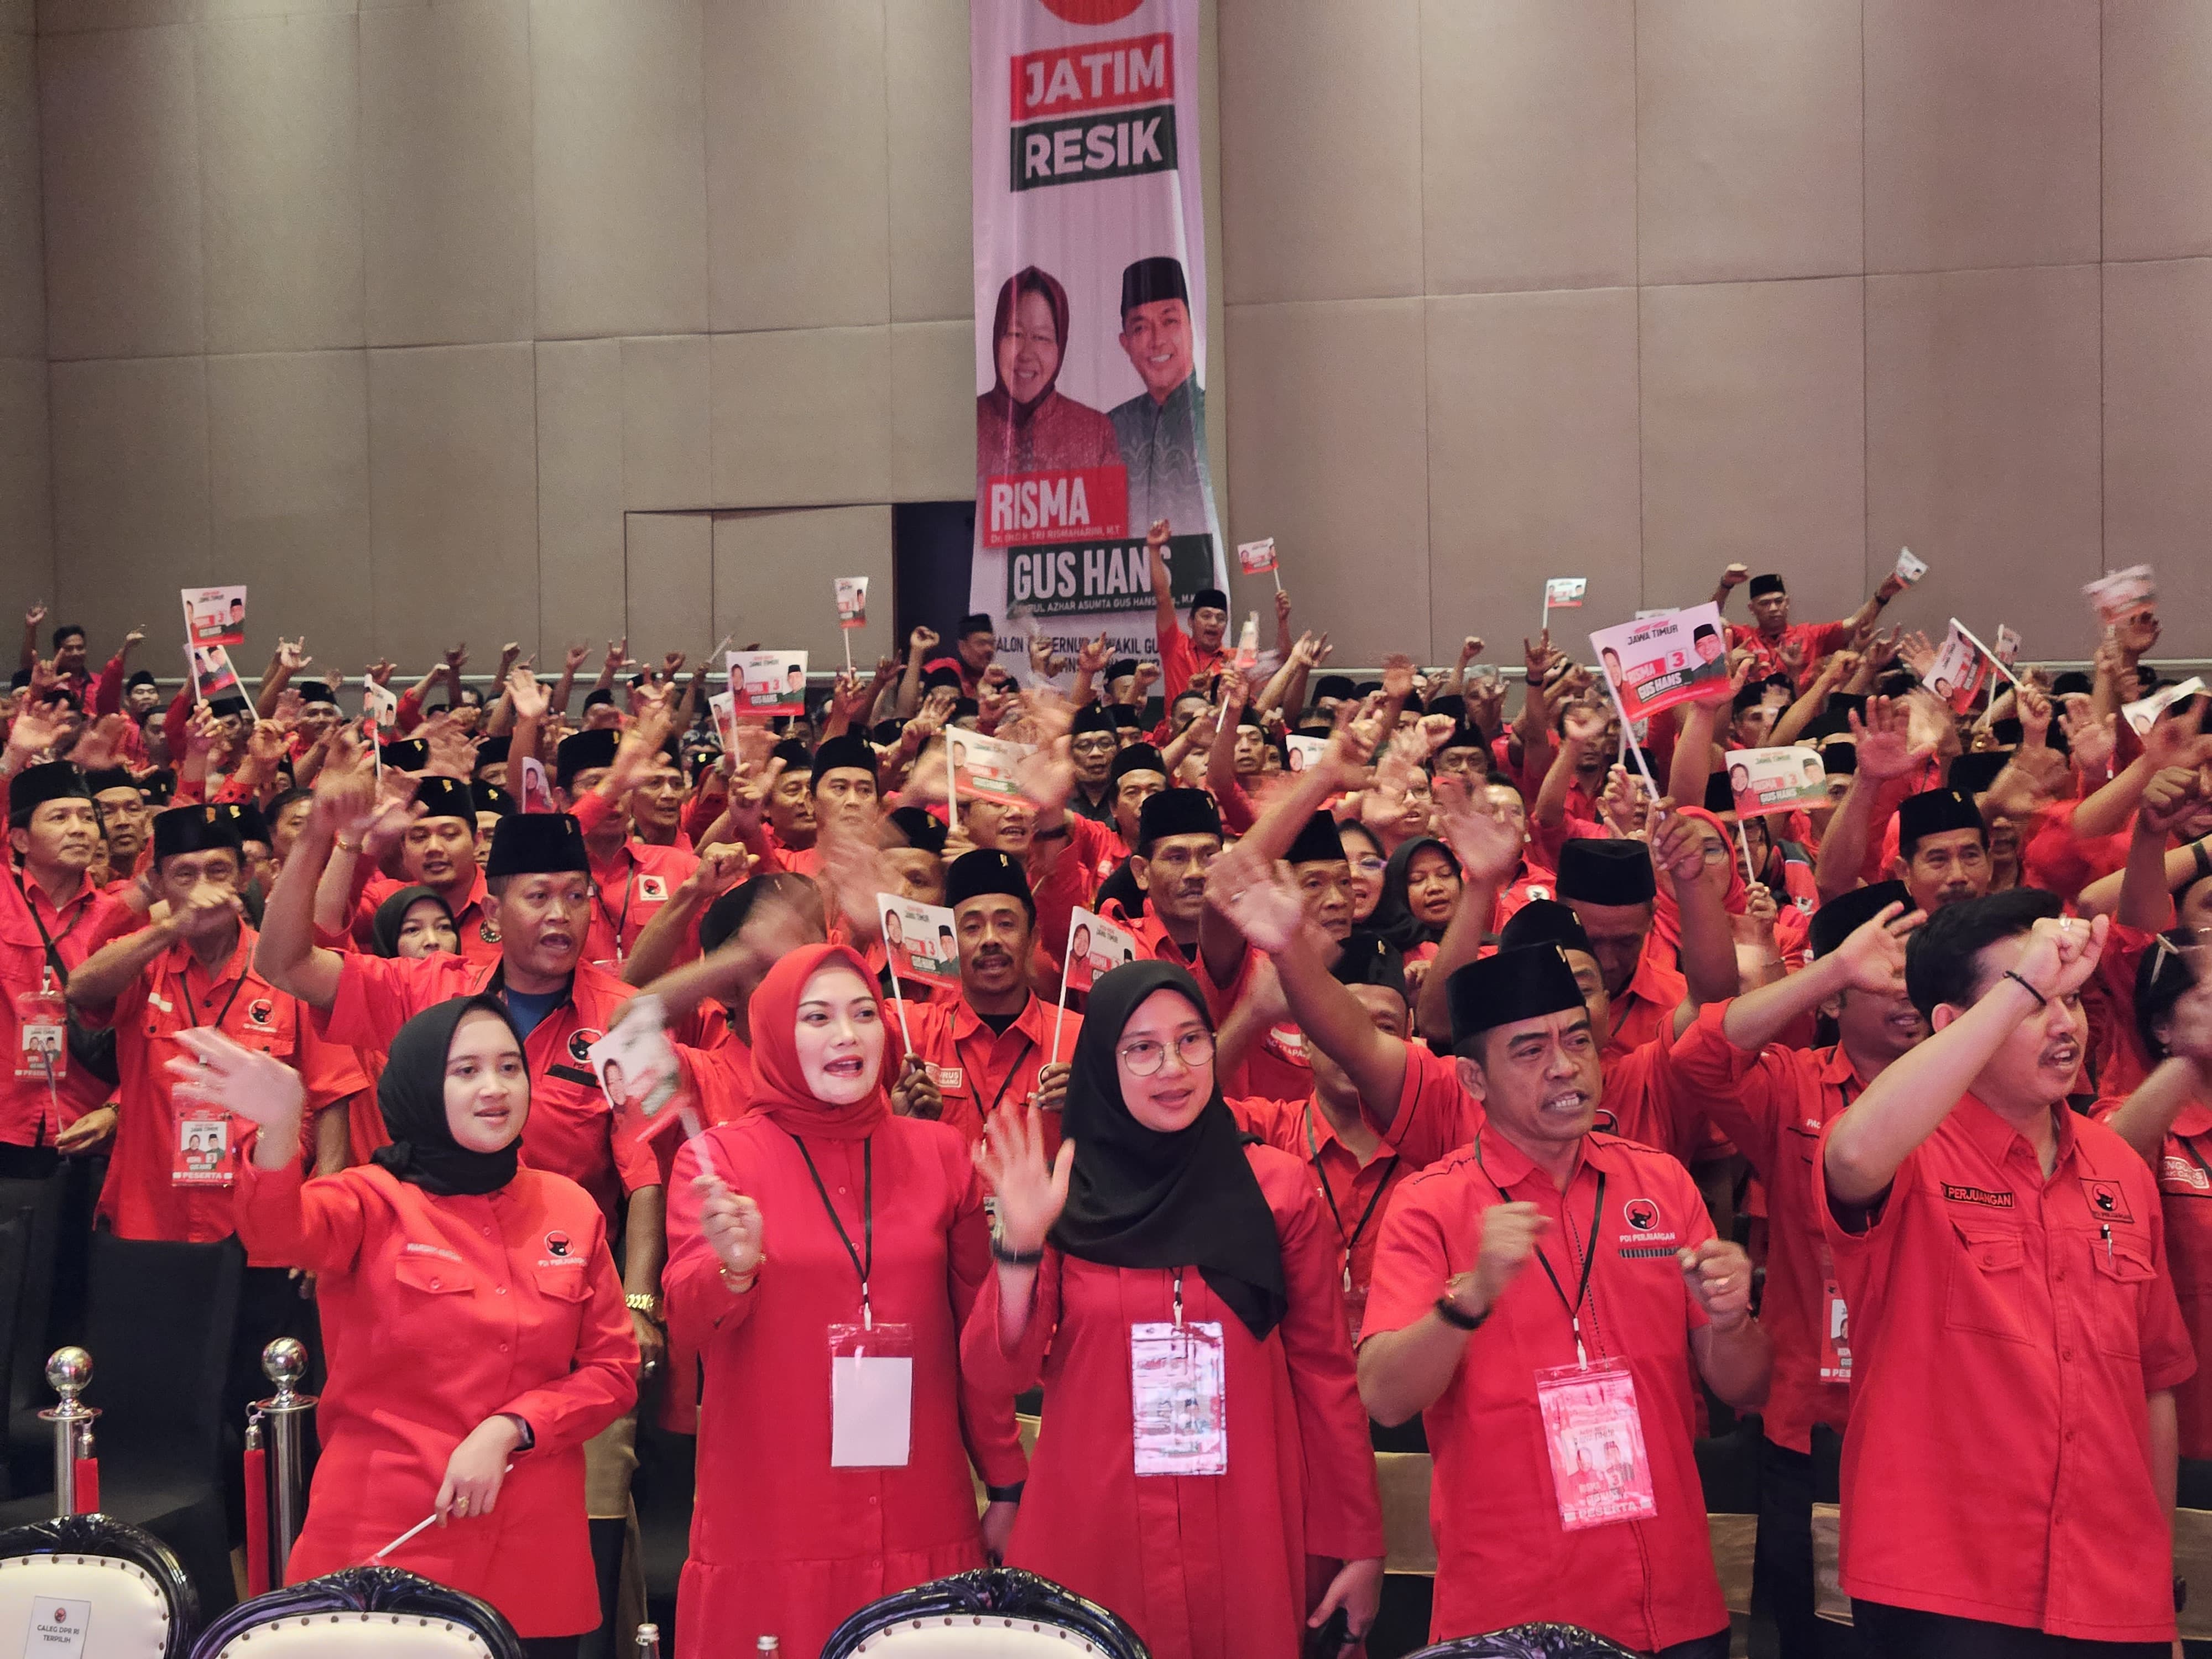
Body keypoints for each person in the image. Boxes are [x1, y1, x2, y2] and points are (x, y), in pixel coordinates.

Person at [964, 960, 1385, 1658]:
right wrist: (1021, 1246)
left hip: (1242, 1522)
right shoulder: (1063, 1192)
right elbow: (997, 1370)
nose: (1174, 1067)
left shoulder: (1275, 1189)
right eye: (1141, 1048)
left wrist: (1357, 1544)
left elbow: (1325, 1380)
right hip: (1096, 1529)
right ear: (1104, 1062)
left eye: (1192, 1040)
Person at [1357, 945, 1768, 1654]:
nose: (1564, 1065)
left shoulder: (1660, 1184)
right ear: (1472, 1080)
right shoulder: (1430, 1206)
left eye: (1577, 1040)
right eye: (1529, 1050)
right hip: (1511, 1614)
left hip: (1670, 1601)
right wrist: (1473, 1295)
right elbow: (1385, 1397)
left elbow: (1746, 1382)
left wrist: (1731, 1321)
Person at [201, 997, 636, 1657]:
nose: (494, 1088)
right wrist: (283, 1122)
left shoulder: (570, 1208)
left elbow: (614, 1372)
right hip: (388, 1536)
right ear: (420, 1084)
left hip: (532, 1550)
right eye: (465, 1071)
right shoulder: (369, 1200)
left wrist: (511, 1427)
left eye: (509, 1067)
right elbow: (273, 1233)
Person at [1819, 893, 2189, 1652]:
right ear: (1956, 1024)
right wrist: (2024, 983)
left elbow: (2152, 1383)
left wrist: (2155, 1585)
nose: (2065, 1025)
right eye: (2031, 1003)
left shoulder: (2119, 1164)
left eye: (2075, 1002)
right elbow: (1851, 1157)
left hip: (2112, 1587)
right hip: (1947, 1585)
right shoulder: (1909, 1146)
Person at [661, 942, 1026, 1658]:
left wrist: (1007, 1479)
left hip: (922, 1500)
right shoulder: (723, 1160)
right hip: (777, 1509)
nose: (846, 1035)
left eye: (863, 1014)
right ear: (772, 1032)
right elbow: (684, 1319)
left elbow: (976, 1335)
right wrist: (732, 1270)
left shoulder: (942, 1155)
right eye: (817, 1016)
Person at [1666, 881, 1927, 1657]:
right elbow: (1698, 1057)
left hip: (1938, 1427)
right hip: (1814, 1432)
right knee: (1822, 1642)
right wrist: (1830, 968)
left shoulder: (1969, 1086)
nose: (1906, 994)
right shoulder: (1794, 1086)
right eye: (1883, 977)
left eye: (1919, 976)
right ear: (1838, 998)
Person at [894, 850, 1076, 1154]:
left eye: (1006, 924)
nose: (990, 940)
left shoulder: (1077, 1038)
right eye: (972, 927)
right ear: (947, 943)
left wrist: (1089, 1110)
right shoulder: (913, 1031)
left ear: (1032, 940)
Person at [4, 763, 126, 1168]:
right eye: (60, 817)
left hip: (88, 1131)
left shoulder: (122, 921)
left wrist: (115, 1110)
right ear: (20, 839)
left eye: (88, 818)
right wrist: (14, 757)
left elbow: (153, 1032)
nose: (79, 829)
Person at [977, 266, 1121, 480]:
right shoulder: (968, 425)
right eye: (1015, 334)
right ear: (997, 338)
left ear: (1060, 346)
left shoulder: (1095, 433)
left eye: (1041, 338)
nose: (1026, 354)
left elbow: (1114, 512)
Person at [1111, 256, 1214, 542]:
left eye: (1170, 321)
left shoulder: (1217, 417)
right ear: (1126, 343)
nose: (1157, 341)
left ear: (1193, 329)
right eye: (1141, 328)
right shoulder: (1105, 431)